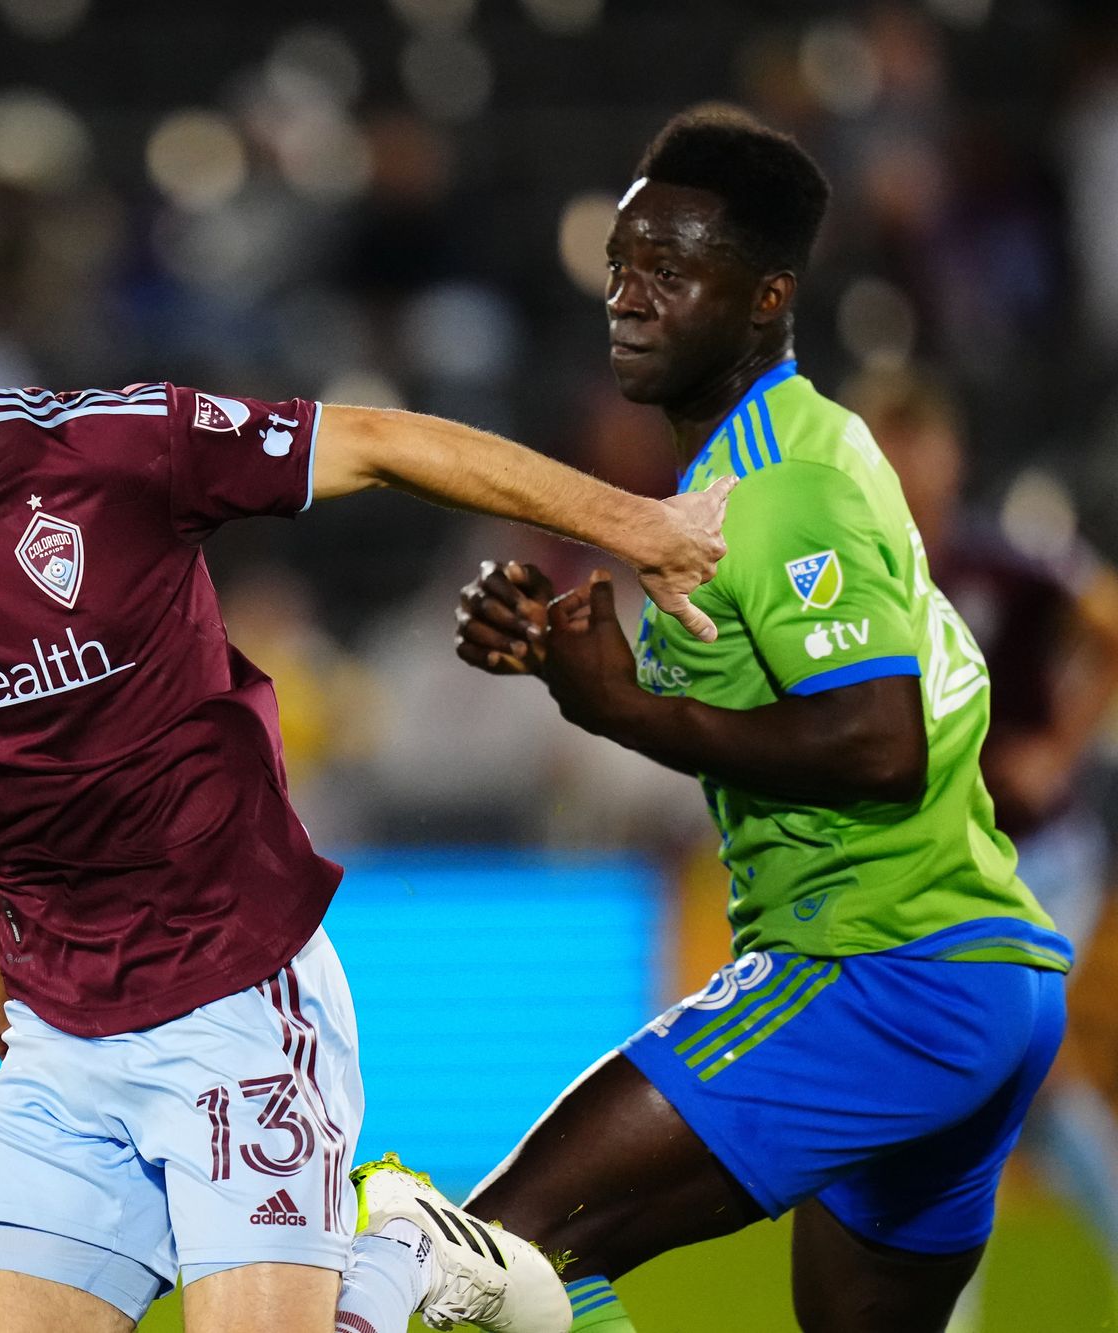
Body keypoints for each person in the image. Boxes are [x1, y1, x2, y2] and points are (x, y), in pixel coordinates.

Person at [0, 199, 732, 1333]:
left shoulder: (113, 450)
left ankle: (401, 1254)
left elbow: (377, 442)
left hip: (235, 1000)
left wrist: (637, 525)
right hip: (59, 1039)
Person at [452, 108, 1071, 1333]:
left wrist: (618, 706)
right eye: (623, 265)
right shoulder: (798, 448)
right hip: (974, 979)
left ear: (764, 298)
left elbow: (878, 746)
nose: (627, 297)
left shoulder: (774, 489)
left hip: (877, 969)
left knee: (490, 1261)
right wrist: (563, 667)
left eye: (670, 273)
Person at [852, 365, 1118, 1289]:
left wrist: (1059, 744)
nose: (902, 462)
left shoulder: (1002, 561)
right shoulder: (857, 584)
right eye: (885, 444)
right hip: (943, 872)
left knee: (997, 1071)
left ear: (950, 454)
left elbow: (1107, 619)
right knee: (997, 1088)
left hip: (1043, 855)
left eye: (915, 440)